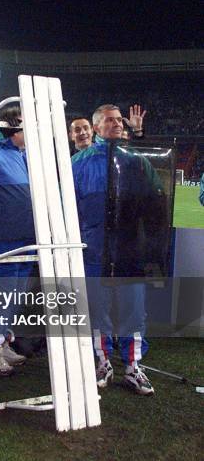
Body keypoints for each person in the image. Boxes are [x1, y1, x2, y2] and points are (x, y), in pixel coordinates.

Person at [72, 104, 155, 395]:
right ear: (96, 128)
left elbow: (153, 204)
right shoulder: (79, 162)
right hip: (93, 251)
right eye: (110, 121)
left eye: (120, 120)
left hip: (129, 250)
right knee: (98, 311)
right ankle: (103, 361)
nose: (118, 124)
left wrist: (151, 246)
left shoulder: (136, 161)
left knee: (134, 312)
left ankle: (133, 366)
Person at [0, 107, 34, 376]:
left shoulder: (23, 156)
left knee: (15, 296)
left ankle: (3, 342)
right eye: (24, 124)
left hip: (25, 238)